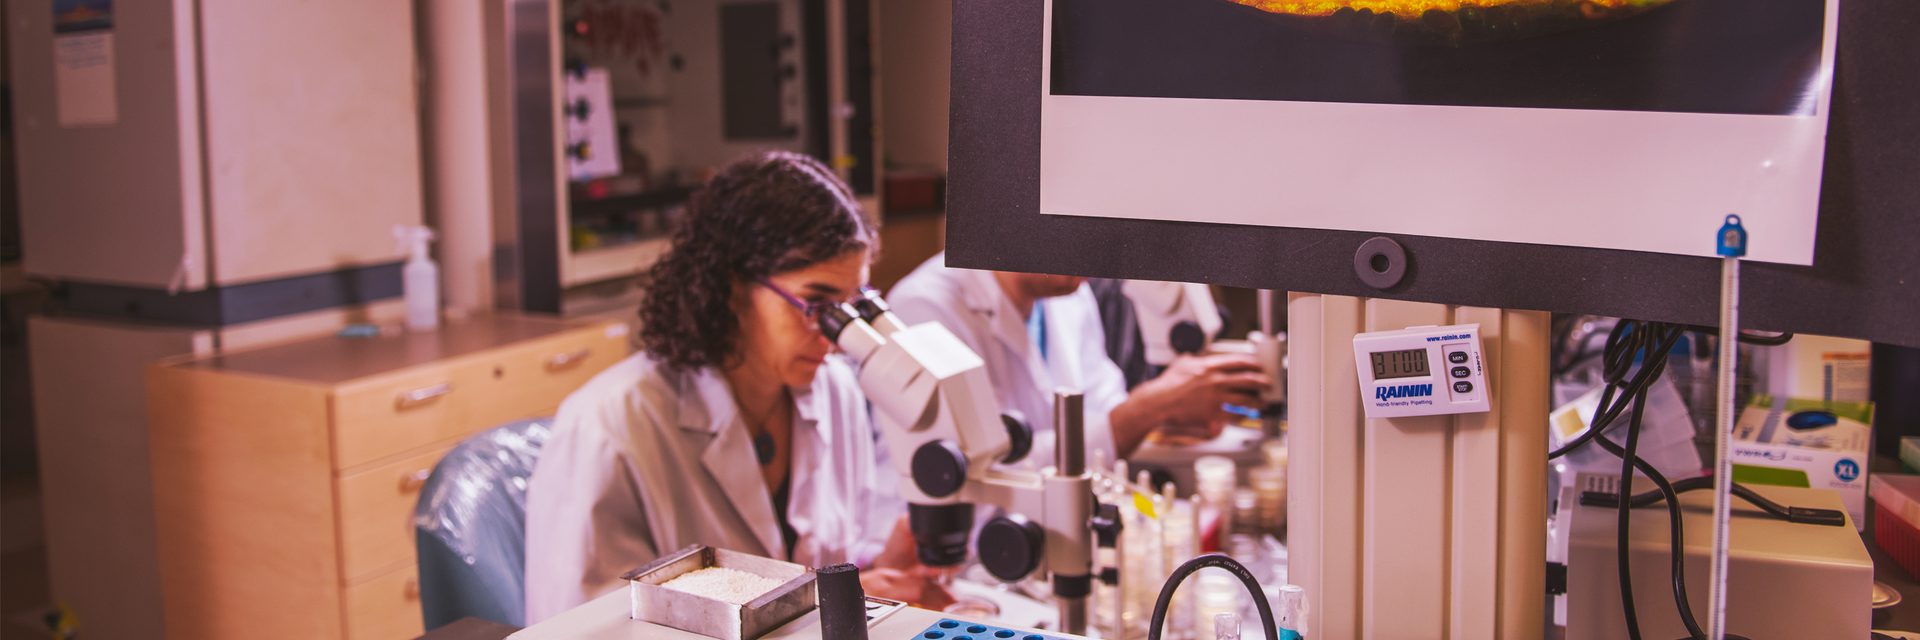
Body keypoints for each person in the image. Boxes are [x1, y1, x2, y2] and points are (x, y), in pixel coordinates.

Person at [524, 152, 947, 622]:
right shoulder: (610, 427)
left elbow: (829, 557)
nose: (833, 335)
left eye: (852, 307)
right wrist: (814, 612)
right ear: (730, 284)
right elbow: (581, 630)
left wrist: (881, 568)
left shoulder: (837, 392)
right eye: (815, 304)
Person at [884, 254, 1270, 470]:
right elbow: (982, 470)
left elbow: (1103, 408)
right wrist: (1147, 409)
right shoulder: (925, 306)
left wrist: (1169, 415)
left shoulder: (1066, 289)